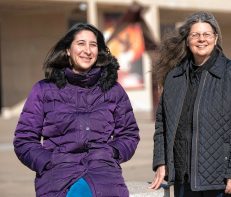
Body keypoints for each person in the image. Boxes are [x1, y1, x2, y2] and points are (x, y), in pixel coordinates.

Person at [13, 23, 140, 197]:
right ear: (67, 50)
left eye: (93, 45)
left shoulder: (114, 90)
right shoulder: (43, 90)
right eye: (81, 43)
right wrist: (48, 162)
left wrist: (111, 153)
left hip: (104, 172)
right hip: (57, 174)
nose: (87, 51)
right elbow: (24, 139)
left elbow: (129, 133)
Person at [149, 11, 231, 197]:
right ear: (187, 40)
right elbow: (162, 125)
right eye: (195, 35)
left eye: (207, 34)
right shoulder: (174, 77)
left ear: (215, 39)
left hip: (223, 180)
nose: (201, 39)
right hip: (185, 179)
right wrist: (161, 162)